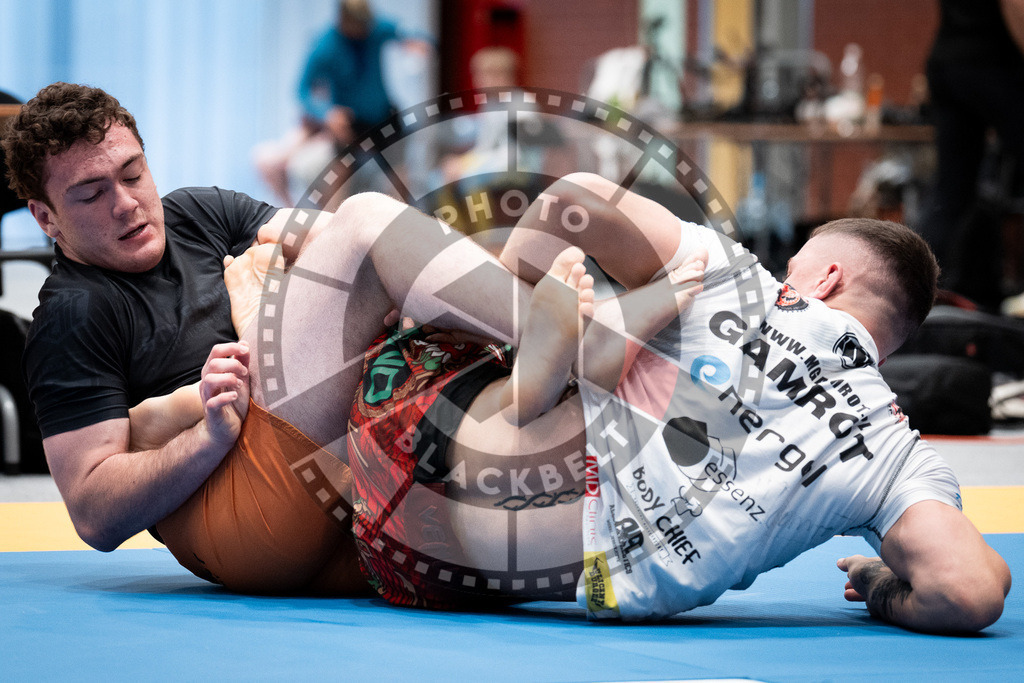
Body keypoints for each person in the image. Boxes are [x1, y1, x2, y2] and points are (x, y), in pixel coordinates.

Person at [342, 172, 1011, 633]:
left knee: (363, 223)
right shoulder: (889, 447)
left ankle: (529, 351)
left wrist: (516, 300)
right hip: (446, 570)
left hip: (425, 433)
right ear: (884, 354)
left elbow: (572, 200)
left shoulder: (738, 277)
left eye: (795, 266)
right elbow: (973, 590)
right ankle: (543, 349)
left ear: (826, 276)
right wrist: (878, 583)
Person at [0, 81, 555, 595]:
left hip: (336, 475)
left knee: (567, 207)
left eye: (131, 174)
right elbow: (95, 514)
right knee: (363, 221)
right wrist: (205, 439)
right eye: (91, 194)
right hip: (241, 509)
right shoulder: (72, 312)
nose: (124, 203)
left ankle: (594, 368)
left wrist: (453, 282)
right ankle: (564, 338)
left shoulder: (197, 213)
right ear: (46, 219)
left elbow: (353, 242)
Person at [254, 0, 430, 207]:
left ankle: (403, 229)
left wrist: (417, 43)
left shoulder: (375, 30)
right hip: (349, 123)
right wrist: (326, 113)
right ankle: (334, 229)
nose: (364, 31)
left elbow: (406, 32)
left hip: (383, 115)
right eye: (359, 26)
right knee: (336, 180)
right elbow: (302, 91)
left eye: (367, 26)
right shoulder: (325, 46)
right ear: (343, 20)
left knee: (400, 178)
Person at [918, 0, 1024, 310]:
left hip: (948, 62)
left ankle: (910, 292)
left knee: (951, 195)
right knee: (953, 194)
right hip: (994, 64)